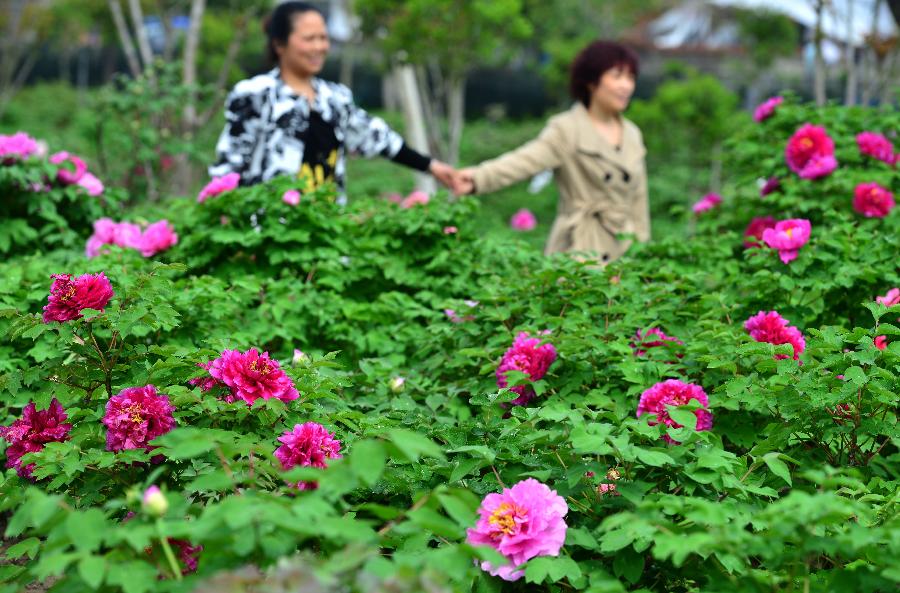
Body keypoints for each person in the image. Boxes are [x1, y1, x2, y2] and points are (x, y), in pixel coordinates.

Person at [209, 1, 456, 200]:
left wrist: (432, 167)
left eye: (323, 37)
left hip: (325, 232)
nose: (320, 47)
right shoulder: (256, 94)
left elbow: (377, 137)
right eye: (309, 38)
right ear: (279, 44)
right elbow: (229, 167)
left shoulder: (334, 99)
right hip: (269, 237)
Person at [453, 41, 649, 263]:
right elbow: (525, 160)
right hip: (580, 247)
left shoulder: (632, 134)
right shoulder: (567, 128)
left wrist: (641, 250)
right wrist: (478, 178)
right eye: (617, 76)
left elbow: (639, 200)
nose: (626, 86)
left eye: (631, 77)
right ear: (592, 82)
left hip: (625, 248)